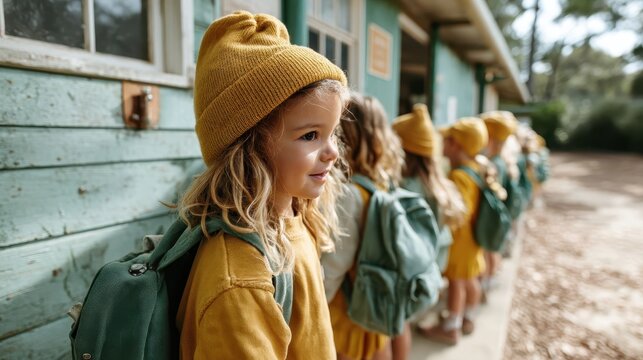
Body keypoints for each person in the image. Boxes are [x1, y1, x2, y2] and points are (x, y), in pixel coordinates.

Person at [174, 11, 349, 359]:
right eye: (310, 135)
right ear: (249, 147)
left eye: (333, 133)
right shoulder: (240, 280)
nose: (332, 152)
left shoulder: (294, 217)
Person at [322, 92, 405, 360]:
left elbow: (334, 267)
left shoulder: (348, 194)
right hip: (372, 305)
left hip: (346, 314)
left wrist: (311, 311)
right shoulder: (382, 184)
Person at [391, 104, 467, 357]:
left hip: (410, 270)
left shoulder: (407, 188)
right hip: (432, 268)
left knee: (398, 323)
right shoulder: (439, 184)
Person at [419, 117, 489, 345]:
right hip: (472, 239)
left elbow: (461, 212)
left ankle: (451, 328)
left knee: (457, 283)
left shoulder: (459, 176)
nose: (443, 145)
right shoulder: (475, 169)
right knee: (469, 280)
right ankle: (468, 317)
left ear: (456, 145)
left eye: (447, 141)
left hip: (461, 241)